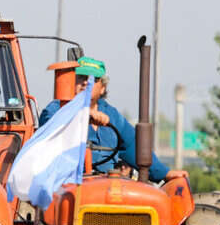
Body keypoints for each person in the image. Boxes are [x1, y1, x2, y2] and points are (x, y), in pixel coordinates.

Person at [38, 56, 186, 183]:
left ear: (102, 88)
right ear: (72, 82)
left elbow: (134, 146)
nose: (85, 83)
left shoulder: (112, 115)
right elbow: (51, 125)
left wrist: (164, 173)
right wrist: (84, 114)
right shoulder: (57, 108)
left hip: (107, 183)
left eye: (93, 79)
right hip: (68, 183)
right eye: (81, 77)